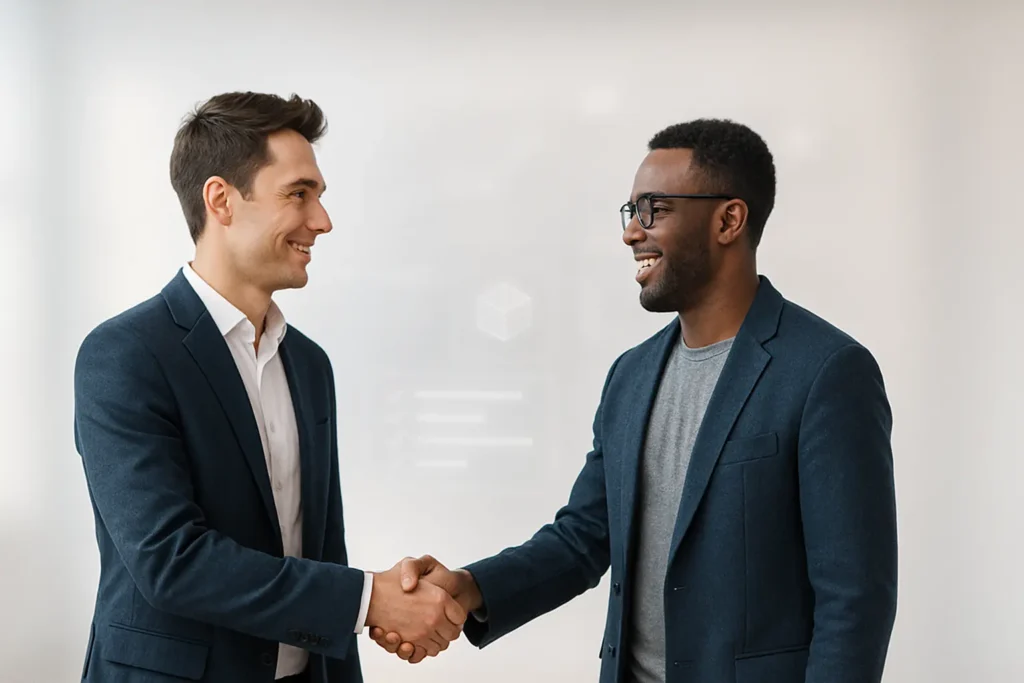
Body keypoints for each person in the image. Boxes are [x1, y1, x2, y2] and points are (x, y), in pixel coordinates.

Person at [370, 118, 899, 682]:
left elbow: (854, 601)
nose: (631, 233)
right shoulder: (631, 375)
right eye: (631, 211)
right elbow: (583, 537)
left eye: (654, 209)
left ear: (728, 220)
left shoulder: (826, 372)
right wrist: (470, 587)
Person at [73, 91, 466, 683]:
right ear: (221, 200)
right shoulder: (125, 355)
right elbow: (171, 562)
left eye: (319, 196)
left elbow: (323, 548)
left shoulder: (309, 365)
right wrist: (369, 601)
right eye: (298, 194)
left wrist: (368, 612)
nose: (322, 221)